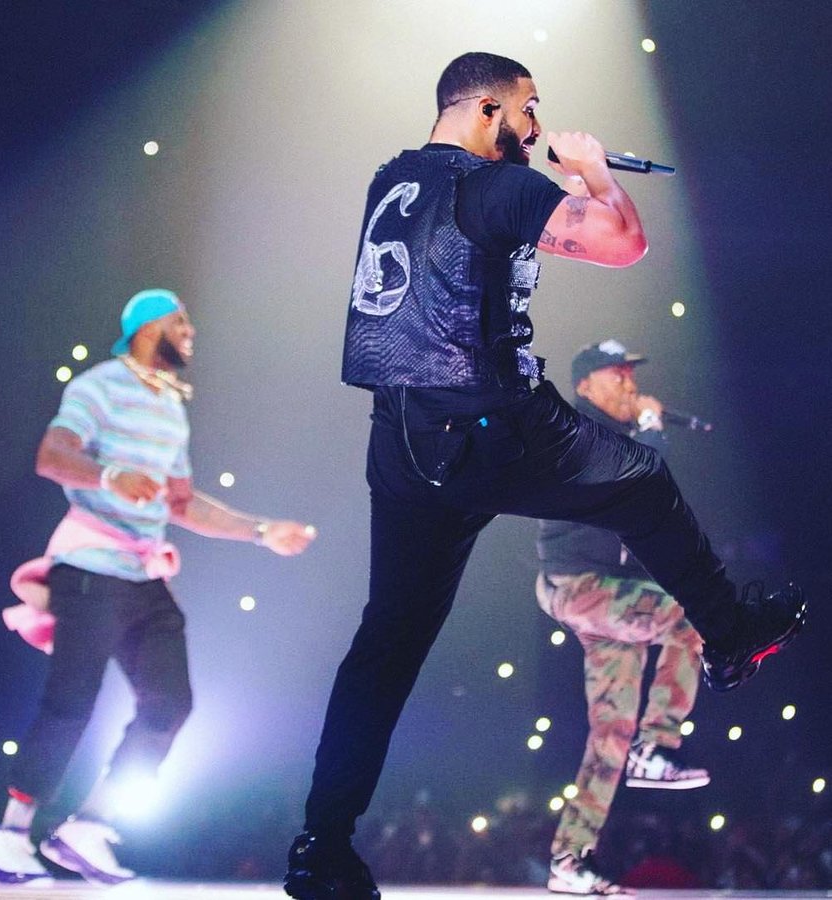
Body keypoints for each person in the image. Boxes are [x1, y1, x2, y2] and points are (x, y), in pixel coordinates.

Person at [283, 52, 805, 900]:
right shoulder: (499, 185)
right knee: (642, 482)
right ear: (487, 109)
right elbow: (624, 243)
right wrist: (595, 174)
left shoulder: (393, 180)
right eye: (528, 109)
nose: (535, 128)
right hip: (492, 423)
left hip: (403, 437)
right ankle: (728, 631)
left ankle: (321, 847)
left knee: (385, 645)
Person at [0, 288, 316, 887]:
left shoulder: (170, 405)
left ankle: (89, 826)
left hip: (142, 571)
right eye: (181, 322)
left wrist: (262, 531)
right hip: (89, 564)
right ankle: (8, 838)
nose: (191, 332)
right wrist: (110, 475)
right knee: (71, 700)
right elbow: (52, 456)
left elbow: (181, 504)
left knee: (170, 703)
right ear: (148, 327)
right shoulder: (99, 386)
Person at [535, 340, 710, 895]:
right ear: (585, 385)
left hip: (612, 595)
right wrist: (651, 426)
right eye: (618, 374)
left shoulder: (619, 436)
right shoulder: (574, 430)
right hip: (579, 585)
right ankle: (656, 745)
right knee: (691, 616)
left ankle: (569, 860)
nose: (631, 384)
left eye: (631, 374)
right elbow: (639, 477)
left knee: (610, 731)